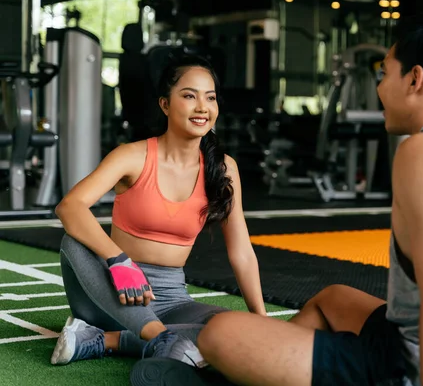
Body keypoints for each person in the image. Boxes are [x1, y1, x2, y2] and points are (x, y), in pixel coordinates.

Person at [128, 13, 423, 386]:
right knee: (331, 300)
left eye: (385, 72)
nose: (379, 86)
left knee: (220, 334)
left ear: (415, 79)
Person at [50, 53, 266, 367]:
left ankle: (105, 341)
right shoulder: (132, 156)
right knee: (74, 241)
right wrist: (118, 260)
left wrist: (261, 321)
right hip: (110, 295)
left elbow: (242, 251)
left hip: (173, 301)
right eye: (189, 96)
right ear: (165, 104)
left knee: (239, 330)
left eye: (210, 98)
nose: (202, 107)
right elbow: (69, 207)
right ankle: (159, 337)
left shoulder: (223, 168)